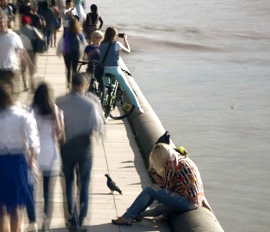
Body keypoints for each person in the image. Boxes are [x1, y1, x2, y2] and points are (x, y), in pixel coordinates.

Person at [0, 83, 39, 232]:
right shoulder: (22, 115)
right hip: (17, 162)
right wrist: (32, 160)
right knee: (16, 207)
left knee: (1, 209)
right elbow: (33, 140)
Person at [111, 143, 211, 225]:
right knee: (158, 209)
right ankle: (137, 214)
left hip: (186, 202)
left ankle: (127, 217)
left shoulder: (171, 164)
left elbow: (167, 188)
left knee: (149, 189)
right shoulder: (184, 160)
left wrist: (155, 175)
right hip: (195, 202)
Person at [56, 73, 105, 231]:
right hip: (84, 146)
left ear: (72, 84)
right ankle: (82, 219)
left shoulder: (60, 102)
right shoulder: (90, 104)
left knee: (68, 182)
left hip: (66, 146)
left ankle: (72, 219)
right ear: (84, 85)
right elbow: (99, 127)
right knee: (84, 183)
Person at [30, 83, 65, 232]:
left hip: (35, 153)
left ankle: (33, 222)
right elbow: (60, 134)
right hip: (50, 153)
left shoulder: (31, 110)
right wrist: (57, 115)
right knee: (47, 193)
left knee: (32, 191)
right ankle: (46, 223)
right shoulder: (55, 110)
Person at [98, 27, 143, 114]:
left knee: (106, 90)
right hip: (115, 70)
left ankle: (105, 110)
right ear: (115, 35)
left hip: (104, 70)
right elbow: (128, 51)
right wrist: (125, 40)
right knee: (127, 88)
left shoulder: (101, 44)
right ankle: (139, 108)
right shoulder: (117, 44)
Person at [58, 19, 85, 90]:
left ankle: (68, 83)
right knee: (75, 69)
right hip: (76, 53)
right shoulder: (79, 33)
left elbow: (62, 41)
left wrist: (61, 51)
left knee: (68, 69)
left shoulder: (66, 32)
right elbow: (83, 42)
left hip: (67, 53)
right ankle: (74, 83)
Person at [18, 15, 40, 92]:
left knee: (23, 68)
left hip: (22, 51)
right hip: (31, 51)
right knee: (32, 68)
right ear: (29, 22)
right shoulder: (32, 29)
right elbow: (40, 37)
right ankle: (32, 85)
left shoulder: (19, 31)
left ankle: (25, 85)